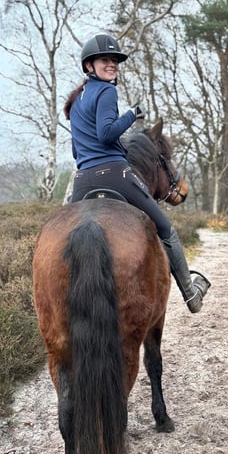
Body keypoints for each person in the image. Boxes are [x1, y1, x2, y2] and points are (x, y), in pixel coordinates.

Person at [63, 33, 210, 313]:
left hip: (82, 181)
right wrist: (132, 114)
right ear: (89, 66)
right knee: (165, 228)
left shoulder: (76, 101)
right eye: (105, 60)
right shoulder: (107, 91)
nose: (112, 64)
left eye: (115, 60)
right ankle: (191, 295)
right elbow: (106, 134)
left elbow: (76, 150)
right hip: (115, 174)